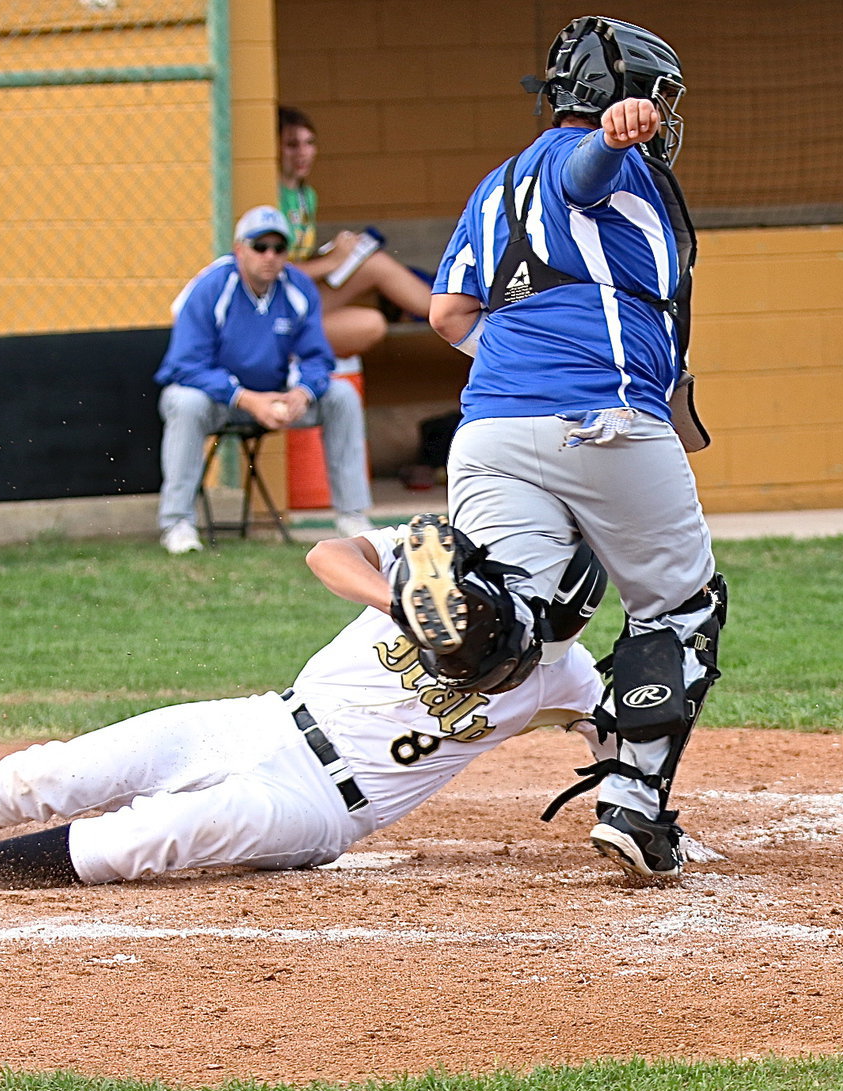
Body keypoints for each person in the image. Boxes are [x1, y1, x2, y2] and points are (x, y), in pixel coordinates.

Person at [0, 518, 617, 891]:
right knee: (53, 772)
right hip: (259, 716)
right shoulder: (443, 574)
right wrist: (400, 602)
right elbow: (330, 552)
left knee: (151, 836)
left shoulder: (564, 674)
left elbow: (618, 729)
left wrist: (634, 797)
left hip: (317, 805)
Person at [424, 16, 725, 881]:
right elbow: (583, 170)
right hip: (601, 417)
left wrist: (528, 366)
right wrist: (612, 134)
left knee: (531, 620)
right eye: (655, 95)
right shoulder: (589, 155)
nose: (663, 114)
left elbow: (450, 316)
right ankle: (635, 804)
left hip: (487, 429)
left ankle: (455, 599)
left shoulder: (493, 186)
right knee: (681, 608)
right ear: (614, 91)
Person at [154, 204, 374, 554]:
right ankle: (177, 523)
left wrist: (302, 392)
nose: (270, 256)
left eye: (279, 248)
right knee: (185, 401)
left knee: (341, 395)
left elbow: (317, 356)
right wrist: (246, 398)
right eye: (260, 247)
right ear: (240, 248)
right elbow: (185, 366)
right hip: (217, 401)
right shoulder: (212, 286)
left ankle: (353, 516)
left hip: (275, 398)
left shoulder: (297, 287)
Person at [278, 106, 433, 358]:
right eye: (291, 145)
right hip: (275, 308)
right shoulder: (270, 194)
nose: (303, 153)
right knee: (371, 324)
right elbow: (274, 269)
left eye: (310, 143)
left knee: (375, 263)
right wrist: (332, 261)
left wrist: (342, 252)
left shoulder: (306, 195)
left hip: (300, 293)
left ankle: (456, 316)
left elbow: (298, 260)